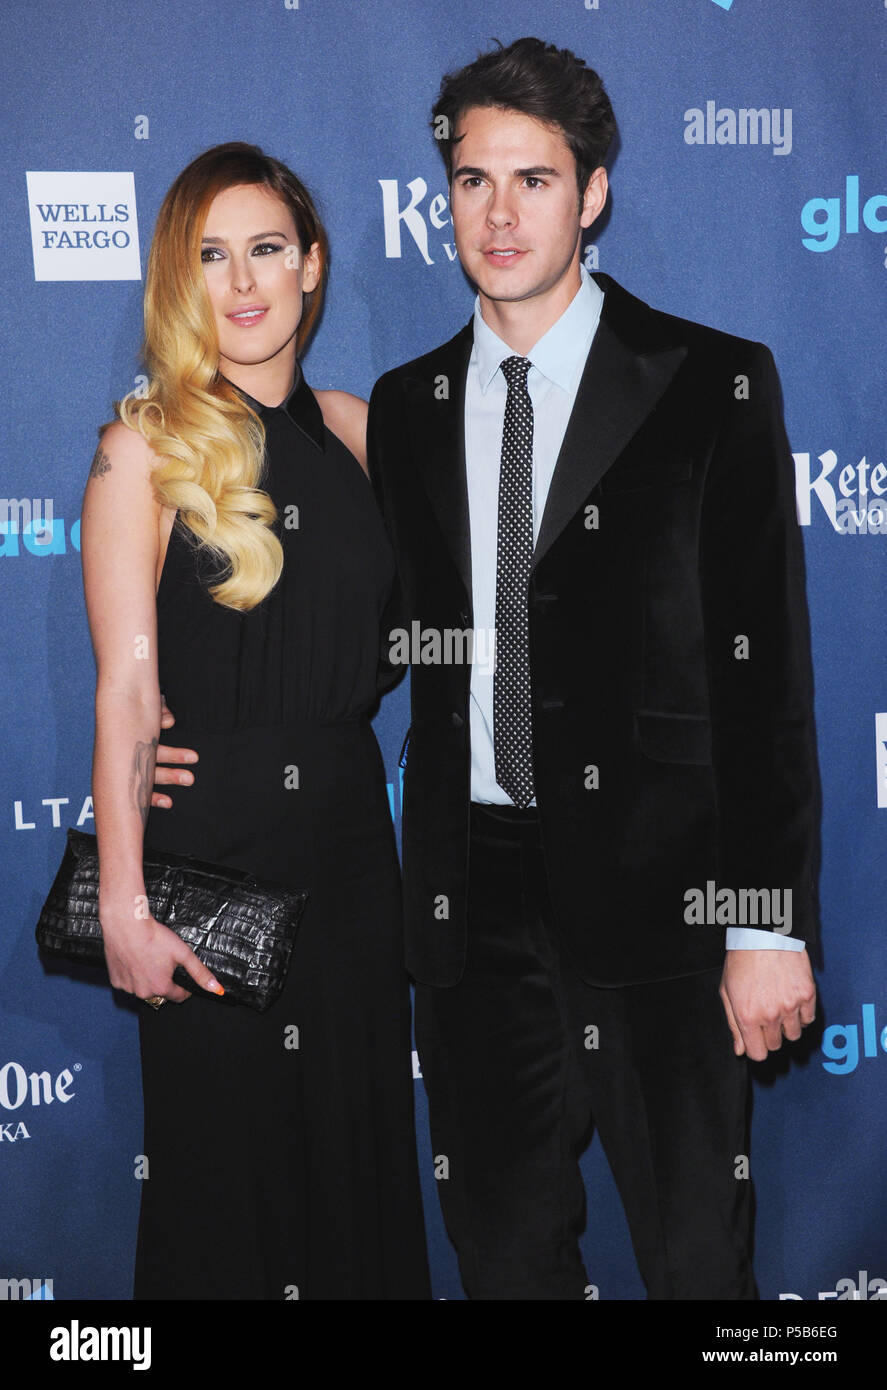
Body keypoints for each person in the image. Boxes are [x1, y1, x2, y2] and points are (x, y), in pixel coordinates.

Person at [155, 40, 820, 1301]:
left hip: (664, 905)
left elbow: (766, 672)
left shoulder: (709, 380)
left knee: (696, 1267)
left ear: (594, 193)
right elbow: (345, 610)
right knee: (503, 1264)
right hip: (470, 910)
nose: (500, 213)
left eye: (533, 179)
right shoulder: (402, 408)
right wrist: (158, 714)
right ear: (443, 197)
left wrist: (764, 920)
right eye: (472, 181)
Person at [82, 141, 430, 1300]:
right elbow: (128, 692)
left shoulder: (362, 432)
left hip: (346, 849)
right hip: (208, 858)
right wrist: (124, 906)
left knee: (354, 1155)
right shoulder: (143, 450)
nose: (242, 281)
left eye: (266, 249)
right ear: (182, 279)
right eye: (211, 254)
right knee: (224, 1182)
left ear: (312, 265)